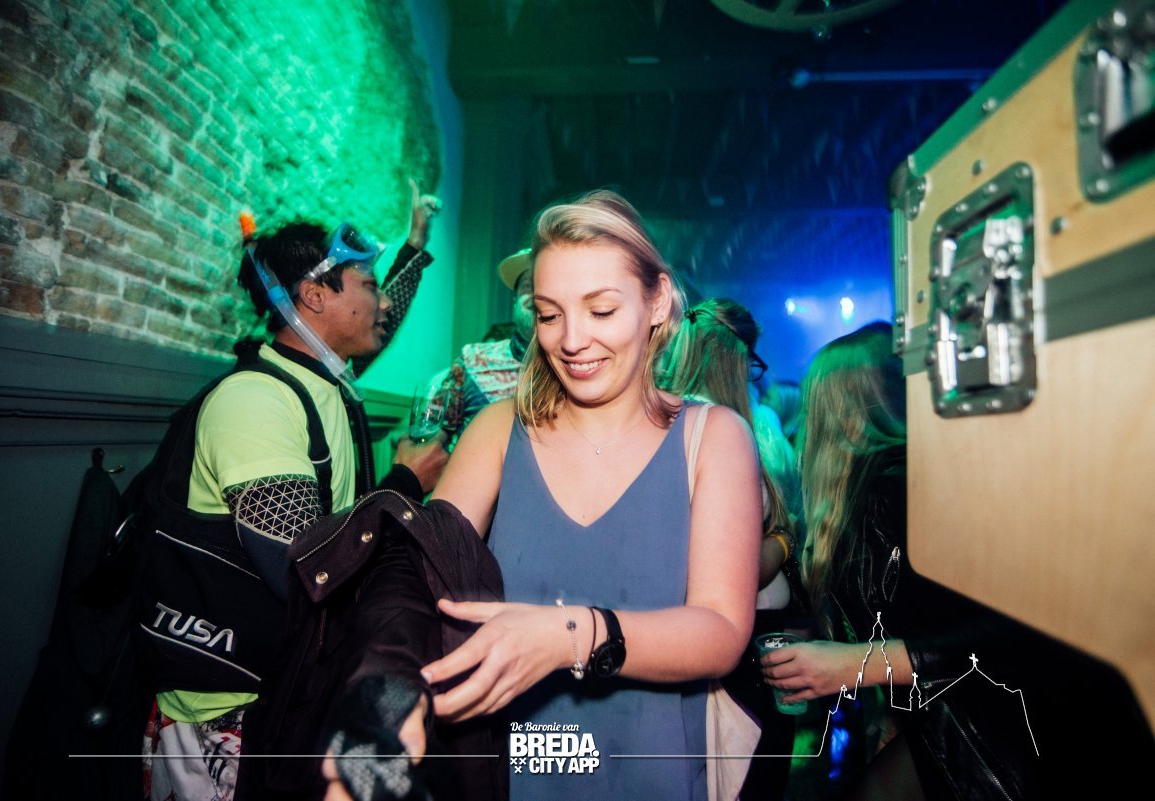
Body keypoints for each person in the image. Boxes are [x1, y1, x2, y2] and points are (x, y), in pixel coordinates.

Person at [421, 189, 762, 800]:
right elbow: (420, 583)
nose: (571, 340)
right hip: (507, 776)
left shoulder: (714, 438)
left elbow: (721, 631)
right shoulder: (498, 430)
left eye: (601, 311)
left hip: (652, 776)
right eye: (549, 314)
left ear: (657, 302)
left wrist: (570, 637)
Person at [141, 190, 449, 801]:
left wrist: (416, 242)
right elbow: (307, 566)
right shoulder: (255, 401)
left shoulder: (323, 379)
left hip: (283, 684)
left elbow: (382, 322)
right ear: (314, 295)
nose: (382, 301)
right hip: (226, 710)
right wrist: (406, 482)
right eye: (368, 285)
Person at [759, 322, 1044, 800]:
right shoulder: (867, 495)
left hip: (990, 733)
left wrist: (858, 665)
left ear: (836, 414)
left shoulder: (894, 488)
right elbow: (917, 614)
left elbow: (1008, 631)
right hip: (942, 718)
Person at [660, 297, 805, 800]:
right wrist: (786, 539)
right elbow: (741, 569)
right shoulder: (725, 430)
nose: (752, 374)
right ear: (734, 358)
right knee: (750, 779)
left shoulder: (666, 423)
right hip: (742, 641)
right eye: (751, 361)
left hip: (710, 635)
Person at [439, 248, 535, 436]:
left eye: (547, 285)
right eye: (528, 285)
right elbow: (433, 434)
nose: (539, 294)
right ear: (514, 301)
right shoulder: (473, 360)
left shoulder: (578, 365)